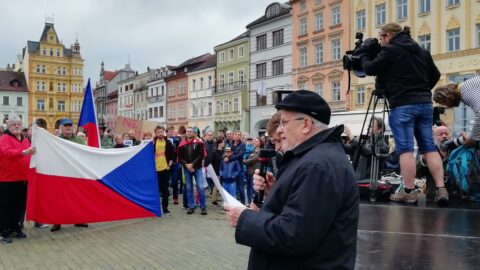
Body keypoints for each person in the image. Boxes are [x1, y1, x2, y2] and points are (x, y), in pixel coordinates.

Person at [225, 90, 359, 269]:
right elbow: (304, 215)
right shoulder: (314, 157)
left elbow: (294, 235)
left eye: (284, 123)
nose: (280, 130)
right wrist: (275, 193)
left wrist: (244, 218)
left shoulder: (317, 165)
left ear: (305, 124)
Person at [359, 22, 448, 204]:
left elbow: (370, 68)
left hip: (402, 105)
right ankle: (441, 189)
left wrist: (364, 55)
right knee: (429, 148)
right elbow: (436, 74)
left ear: (389, 35)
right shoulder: (421, 50)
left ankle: (408, 192)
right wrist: (422, 89)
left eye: (382, 37)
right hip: (424, 103)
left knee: (405, 149)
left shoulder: (391, 50)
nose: (381, 41)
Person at [0, 118, 36, 244]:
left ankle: (16, 228)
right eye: (13, 124)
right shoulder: (4, 138)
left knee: (19, 206)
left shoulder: (25, 139)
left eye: (18, 124)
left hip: (23, 179)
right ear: (8, 126)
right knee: (6, 206)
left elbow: (31, 154)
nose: (16, 126)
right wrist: (24, 152)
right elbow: (7, 152)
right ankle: (4, 231)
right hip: (7, 179)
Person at [51, 118, 88, 232]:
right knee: (59, 199)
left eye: (70, 125)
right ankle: (57, 222)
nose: (68, 127)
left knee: (77, 197)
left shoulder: (79, 140)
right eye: (65, 125)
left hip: (76, 174)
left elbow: (85, 154)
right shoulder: (55, 140)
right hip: (61, 173)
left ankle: (78, 219)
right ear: (61, 128)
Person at [433, 75, 480, 147]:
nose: (447, 106)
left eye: (444, 103)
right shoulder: (466, 87)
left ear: (446, 97)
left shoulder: (465, 91)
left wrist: (472, 138)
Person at [177, 127, 207, 215]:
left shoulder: (199, 143)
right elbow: (180, 158)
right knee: (189, 188)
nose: (189, 133)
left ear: (194, 133)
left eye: (191, 131)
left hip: (197, 168)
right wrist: (187, 165)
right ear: (186, 133)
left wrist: (192, 165)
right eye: (188, 131)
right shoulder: (181, 144)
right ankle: (191, 206)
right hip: (187, 169)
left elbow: (200, 155)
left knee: (201, 188)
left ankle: (203, 207)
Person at [153, 126, 175, 216]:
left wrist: (169, 165)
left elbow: (173, 155)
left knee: (165, 190)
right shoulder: (153, 143)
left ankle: (165, 209)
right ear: (156, 133)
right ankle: (156, 209)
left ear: (164, 132)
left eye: (161, 132)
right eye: (158, 132)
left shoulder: (168, 142)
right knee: (156, 190)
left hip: (165, 169)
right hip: (155, 170)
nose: (160, 133)